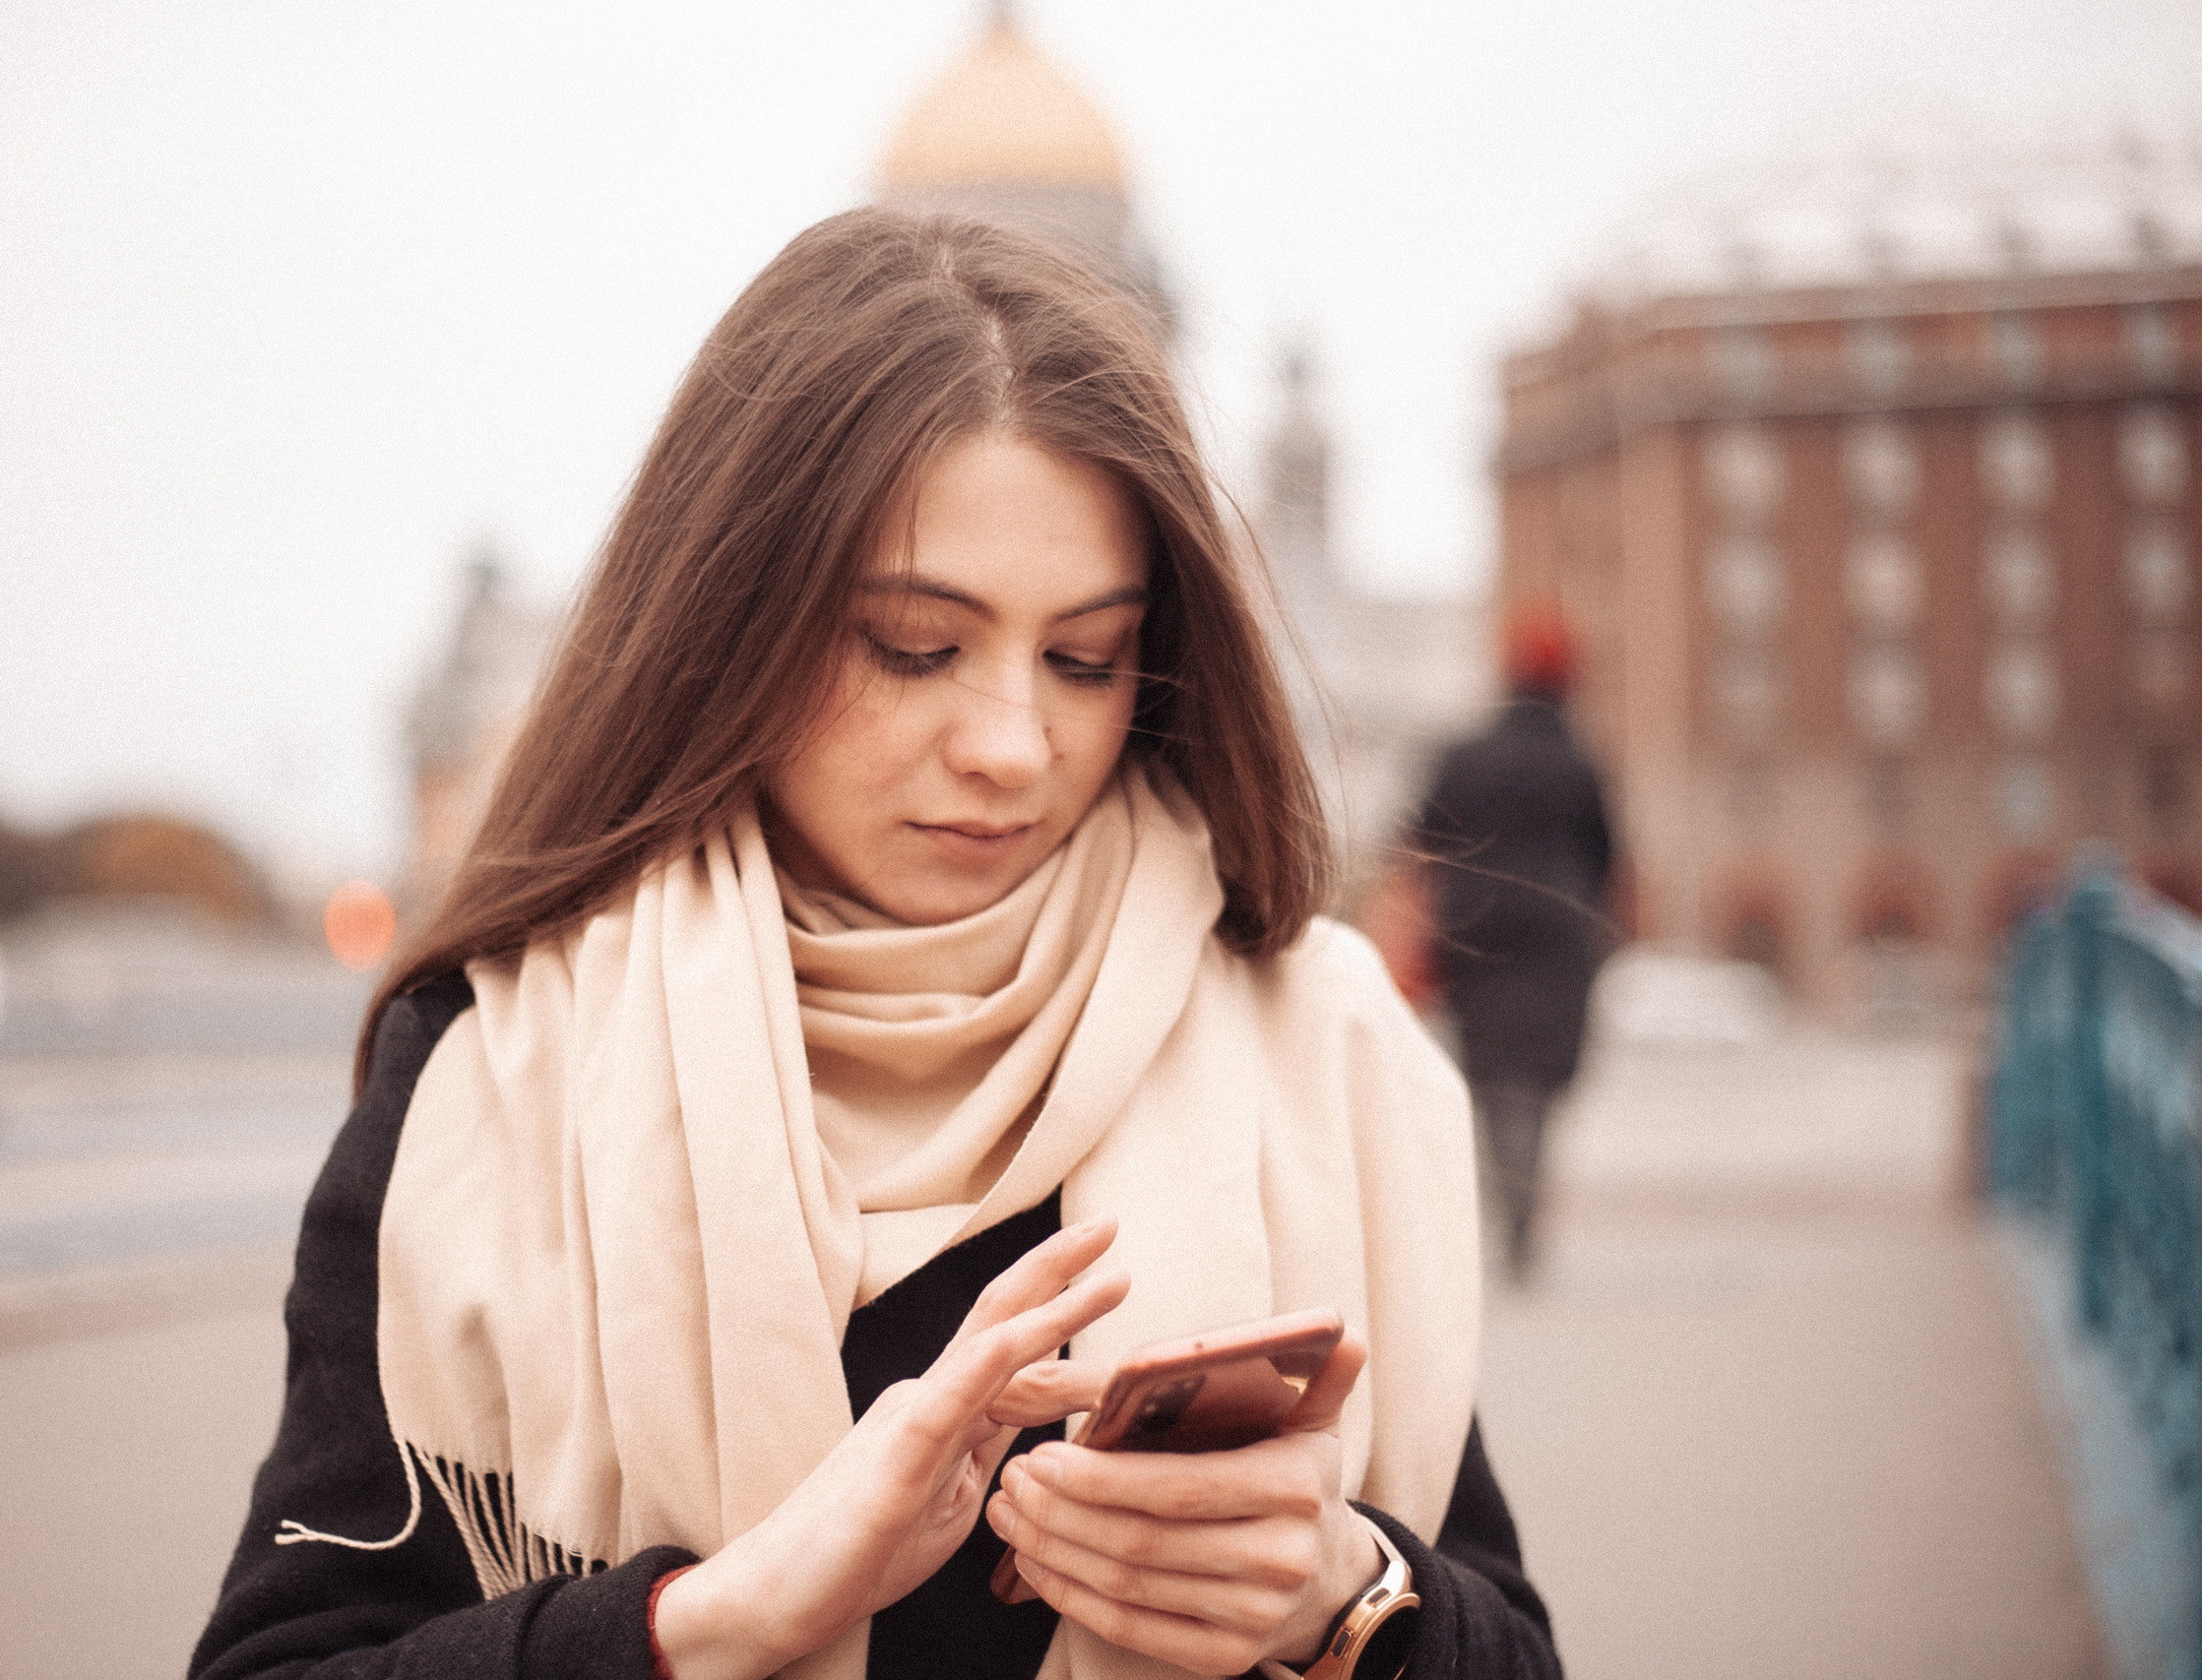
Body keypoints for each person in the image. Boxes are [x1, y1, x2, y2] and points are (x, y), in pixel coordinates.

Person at [193, 210, 1558, 1680]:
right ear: (733, 617)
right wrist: (701, 1627)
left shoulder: (1324, 1042)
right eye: (914, 643)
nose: (1012, 744)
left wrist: (1350, 1600)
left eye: (1085, 656)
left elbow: (1509, 1647)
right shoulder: (491, 1061)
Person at [1413, 607, 1616, 1286]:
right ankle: (1523, 1215)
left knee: (1492, 1078)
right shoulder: (1583, 765)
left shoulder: (1467, 755)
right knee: (1536, 1085)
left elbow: (1420, 836)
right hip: (1559, 941)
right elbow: (1609, 860)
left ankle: (1506, 1206)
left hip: (1476, 939)